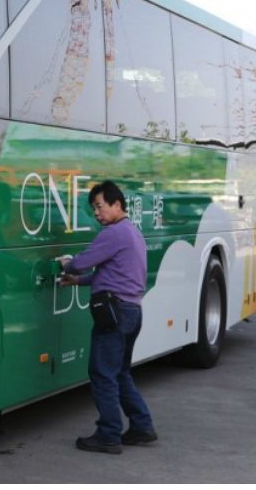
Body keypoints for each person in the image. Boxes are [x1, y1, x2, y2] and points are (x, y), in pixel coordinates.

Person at [58, 181, 156, 455]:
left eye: (100, 207)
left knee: (102, 373)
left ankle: (109, 433)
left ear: (117, 204)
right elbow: (111, 274)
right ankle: (142, 426)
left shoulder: (113, 233)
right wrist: (78, 281)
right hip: (131, 311)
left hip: (114, 313)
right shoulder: (132, 232)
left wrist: (68, 265)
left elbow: (82, 260)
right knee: (120, 372)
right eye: (94, 209)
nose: (97, 214)